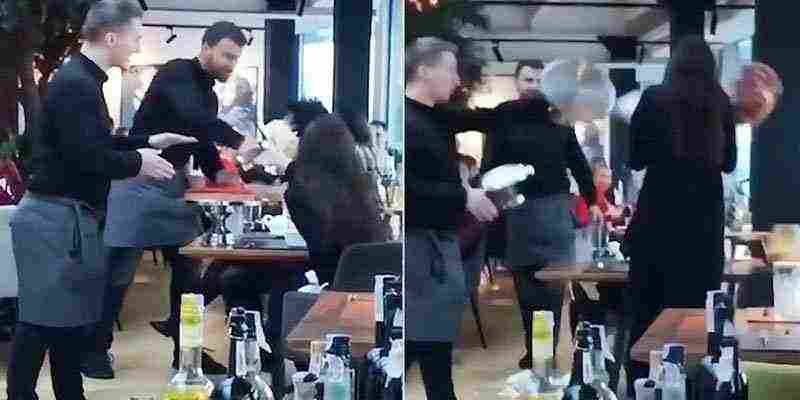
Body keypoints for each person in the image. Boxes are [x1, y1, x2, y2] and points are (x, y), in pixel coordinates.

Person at [6, 1, 197, 398]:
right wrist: (139, 163)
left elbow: (92, 143)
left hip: (60, 216)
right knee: (42, 322)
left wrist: (148, 141)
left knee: (63, 323)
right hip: (54, 218)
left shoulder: (80, 79)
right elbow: (89, 157)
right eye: (135, 37)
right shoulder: (77, 83)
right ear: (111, 37)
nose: (138, 45)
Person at [82, 21, 264, 378]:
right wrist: (240, 140)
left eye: (236, 58)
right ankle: (93, 353)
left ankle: (187, 355)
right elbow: (191, 118)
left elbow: (200, 139)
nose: (231, 64)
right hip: (136, 182)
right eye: (226, 55)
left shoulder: (209, 96)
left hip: (170, 188)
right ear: (206, 47)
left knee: (188, 279)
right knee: (117, 276)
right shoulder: (177, 73)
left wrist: (221, 173)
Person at [624, 36, 737, 393]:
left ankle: (643, 387)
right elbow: (729, 162)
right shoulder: (720, 102)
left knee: (646, 316)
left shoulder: (654, 98)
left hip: (657, 220)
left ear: (672, 64)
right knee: (695, 317)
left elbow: (635, 158)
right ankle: (689, 388)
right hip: (704, 226)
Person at [482, 62, 602, 370]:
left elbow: (577, 162)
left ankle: (545, 353)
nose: (533, 85)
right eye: (528, 79)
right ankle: (535, 349)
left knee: (552, 289)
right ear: (517, 82)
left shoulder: (558, 117)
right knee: (526, 291)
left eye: (539, 79)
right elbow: (490, 165)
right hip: (519, 211)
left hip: (555, 210)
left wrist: (592, 200)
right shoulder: (503, 115)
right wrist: (498, 201)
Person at [405, 36, 498, 400]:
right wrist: (464, 197)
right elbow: (411, 190)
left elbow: (486, 118)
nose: (458, 79)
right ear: (424, 70)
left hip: (437, 244)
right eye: (451, 70)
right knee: (422, 342)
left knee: (433, 345)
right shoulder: (410, 121)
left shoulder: (434, 116)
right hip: (420, 247)